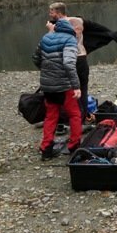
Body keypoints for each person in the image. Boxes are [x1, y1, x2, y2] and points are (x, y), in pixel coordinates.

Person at [32, 18, 82, 160]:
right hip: (65, 86)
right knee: (74, 115)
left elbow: (35, 58)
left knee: (51, 116)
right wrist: (76, 86)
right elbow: (69, 64)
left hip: (48, 85)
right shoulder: (70, 40)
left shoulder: (46, 38)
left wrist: (47, 71)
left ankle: (46, 149)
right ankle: (74, 146)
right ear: (70, 29)